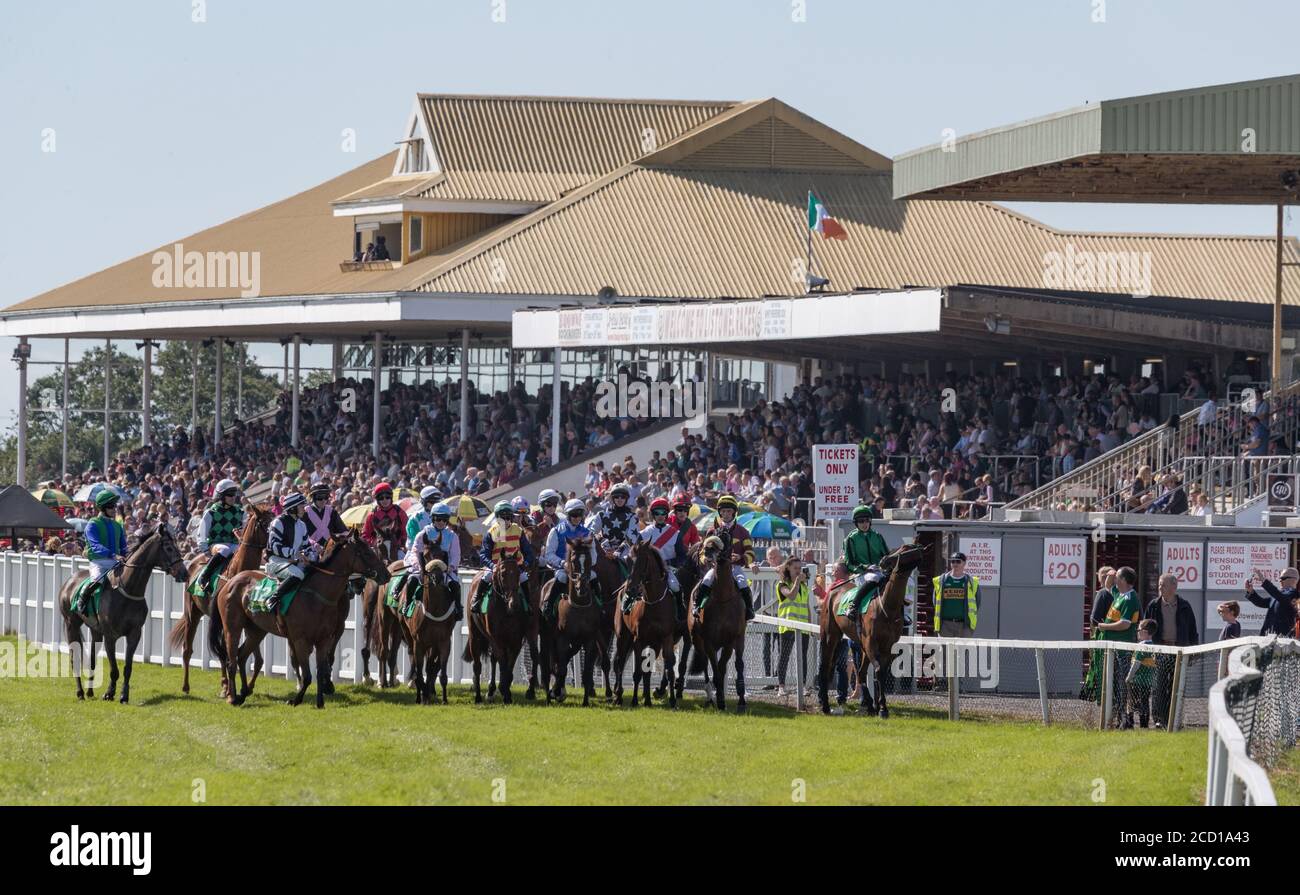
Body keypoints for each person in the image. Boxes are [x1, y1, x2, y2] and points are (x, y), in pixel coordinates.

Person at [1142, 572, 1198, 728]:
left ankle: (1175, 718)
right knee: (1159, 687)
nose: (1160, 587)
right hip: (1160, 651)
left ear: (1174, 587)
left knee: (1175, 686)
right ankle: (1160, 720)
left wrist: (1193, 651)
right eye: (1159, 584)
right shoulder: (1153, 605)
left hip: (1179, 652)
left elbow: (1193, 631)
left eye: (1163, 585)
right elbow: (1145, 627)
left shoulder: (1185, 606)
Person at [694, 494, 755, 621]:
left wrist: (740, 557)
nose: (726, 514)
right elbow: (703, 551)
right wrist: (704, 558)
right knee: (706, 580)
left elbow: (751, 554)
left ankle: (749, 609)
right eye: (723, 511)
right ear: (720, 513)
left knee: (742, 582)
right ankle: (697, 606)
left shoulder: (743, 532)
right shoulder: (712, 531)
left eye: (729, 511)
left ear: (734, 513)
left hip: (735, 567)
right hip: (717, 567)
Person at [401, 503, 463, 620]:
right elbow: (415, 552)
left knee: (455, 584)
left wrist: (452, 566)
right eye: (438, 519)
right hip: (424, 569)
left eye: (444, 519)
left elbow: (455, 554)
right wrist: (418, 566)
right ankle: (407, 604)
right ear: (433, 518)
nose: (441, 522)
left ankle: (458, 608)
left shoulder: (452, 536)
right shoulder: (423, 534)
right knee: (412, 580)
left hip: (444, 570)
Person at [1096, 566, 1141, 726]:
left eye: (1117, 578)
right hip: (1114, 648)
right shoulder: (1119, 594)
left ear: (1123, 580)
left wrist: (1104, 626)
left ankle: (1124, 719)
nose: (1115, 580)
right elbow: (1107, 586)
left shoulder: (1130, 598)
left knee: (1122, 685)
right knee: (1114, 683)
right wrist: (1110, 574)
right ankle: (1115, 717)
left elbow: (1125, 624)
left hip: (1123, 650)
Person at [541, 498, 599, 619]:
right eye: (574, 515)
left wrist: (588, 565)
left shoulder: (587, 532)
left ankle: (600, 604)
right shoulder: (556, 531)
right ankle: (549, 605)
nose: (577, 518)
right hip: (563, 568)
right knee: (561, 577)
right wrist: (563, 563)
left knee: (593, 575)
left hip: (582, 569)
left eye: (580, 515)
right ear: (568, 515)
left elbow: (593, 554)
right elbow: (549, 554)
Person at [477, 500, 534, 613]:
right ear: (497, 518)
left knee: (524, 578)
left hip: (515, 566)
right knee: (486, 576)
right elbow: (483, 554)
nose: (506, 521)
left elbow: (529, 553)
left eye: (508, 517)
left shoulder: (518, 531)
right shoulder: (492, 532)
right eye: (503, 518)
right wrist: (491, 566)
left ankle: (529, 604)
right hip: (496, 567)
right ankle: (477, 600)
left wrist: (525, 564)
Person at [76, 490, 128, 613]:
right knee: (97, 579)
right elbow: (95, 546)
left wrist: (127, 555)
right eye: (111, 506)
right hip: (99, 562)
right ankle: (82, 601)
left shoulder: (117, 525)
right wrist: (114, 555)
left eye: (115, 506)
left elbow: (124, 547)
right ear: (102, 508)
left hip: (116, 562)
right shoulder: (92, 524)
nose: (114, 509)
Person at [639, 497, 687, 619]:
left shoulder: (675, 534)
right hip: (646, 570)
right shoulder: (643, 534)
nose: (660, 516)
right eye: (657, 513)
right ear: (652, 514)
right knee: (632, 587)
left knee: (675, 587)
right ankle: (627, 609)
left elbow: (682, 556)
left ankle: (680, 612)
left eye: (663, 513)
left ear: (667, 514)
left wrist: (670, 562)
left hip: (667, 569)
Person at [264, 491, 311, 614]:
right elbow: (274, 546)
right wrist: (295, 554)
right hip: (276, 561)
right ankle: (273, 597)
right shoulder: (278, 522)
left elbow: (307, 546)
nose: (304, 509)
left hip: (293, 562)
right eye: (302, 506)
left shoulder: (302, 525)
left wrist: (308, 554)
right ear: (293, 508)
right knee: (298, 575)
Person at [193, 478, 242, 596]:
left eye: (234, 494)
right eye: (230, 495)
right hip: (215, 545)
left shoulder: (240, 512)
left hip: (234, 544)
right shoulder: (211, 512)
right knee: (225, 550)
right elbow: (202, 533)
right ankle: (204, 576)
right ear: (221, 496)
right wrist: (205, 550)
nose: (233, 497)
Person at [840, 505, 888, 620]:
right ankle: (853, 606)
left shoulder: (877, 536)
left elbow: (886, 556)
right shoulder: (851, 539)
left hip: (879, 571)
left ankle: (902, 613)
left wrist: (885, 565)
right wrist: (866, 568)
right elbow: (849, 563)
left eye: (867, 520)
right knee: (873, 578)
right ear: (856, 523)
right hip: (861, 573)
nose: (864, 523)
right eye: (861, 521)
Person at [774, 558, 811, 696]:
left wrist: (810, 625)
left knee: (803, 657)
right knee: (784, 656)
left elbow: (806, 606)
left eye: (799, 568)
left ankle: (802, 686)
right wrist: (797, 582)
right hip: (788, 625)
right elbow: (791, 595)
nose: (798, 571)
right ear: (788, 568)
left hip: (803, 626)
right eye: (795, 568)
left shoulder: (804, 586)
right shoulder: (782, 584)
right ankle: (781, 687)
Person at [930, 551, 980, 637]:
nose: (955, 564)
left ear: (964, 563)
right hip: (945, 625)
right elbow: (935, 601)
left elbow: (977, 602)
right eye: (953, 561)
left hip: (965, 625)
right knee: (945, 650)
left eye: (958, 561)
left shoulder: (971, 582)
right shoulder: (941, 580)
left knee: (962, 650)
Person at [1123, 619, 1159, 729]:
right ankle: (1144, 724)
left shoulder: (1141, 647)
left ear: (1145, 631)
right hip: (1148, 681)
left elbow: (1136, 664)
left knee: (1131, 701)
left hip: (1137, 680)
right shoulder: (1154, 646)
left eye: (1139, 629)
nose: (1137, 632)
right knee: (1145, 702)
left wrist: (1128, 677)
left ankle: (1130, 723)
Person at [1243, 568, 1299, 636]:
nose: (1280, 581)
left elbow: (1281, 597)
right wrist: (1251, 591)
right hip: (1269, 635)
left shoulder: (1294, 594)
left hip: (1282, 638)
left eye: (1283, 578)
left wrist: (1263, 580)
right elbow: (1261, 602)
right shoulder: (1280, 595)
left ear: (1294, 580)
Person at [362, 482, 407, 561]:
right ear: (377, 500)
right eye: (381, 498)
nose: (385, 500)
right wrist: (375, 542)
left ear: (391, 497)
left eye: (387, 497)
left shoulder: (399, 512)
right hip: (378, 549)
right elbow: (365, 535)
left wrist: (399, 543)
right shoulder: (372, 515)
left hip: (397, 549)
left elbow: (406, 531)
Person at [303, 482, 347, 550]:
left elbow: (342, 530)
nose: (323, 500)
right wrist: (313, 544)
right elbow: (301, 536)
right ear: (313, 497)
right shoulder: (305, 513)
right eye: (320, 497)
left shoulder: (332, 512)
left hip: (330, 550)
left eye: (326, 497)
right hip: (311, 550)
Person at [405, 486, 442, 551]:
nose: (435, 504)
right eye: (432, 502)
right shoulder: (414, 519)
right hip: (417, 552)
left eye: (437, 502)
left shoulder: (443, 516)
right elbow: (414, 542)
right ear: (424, 502)